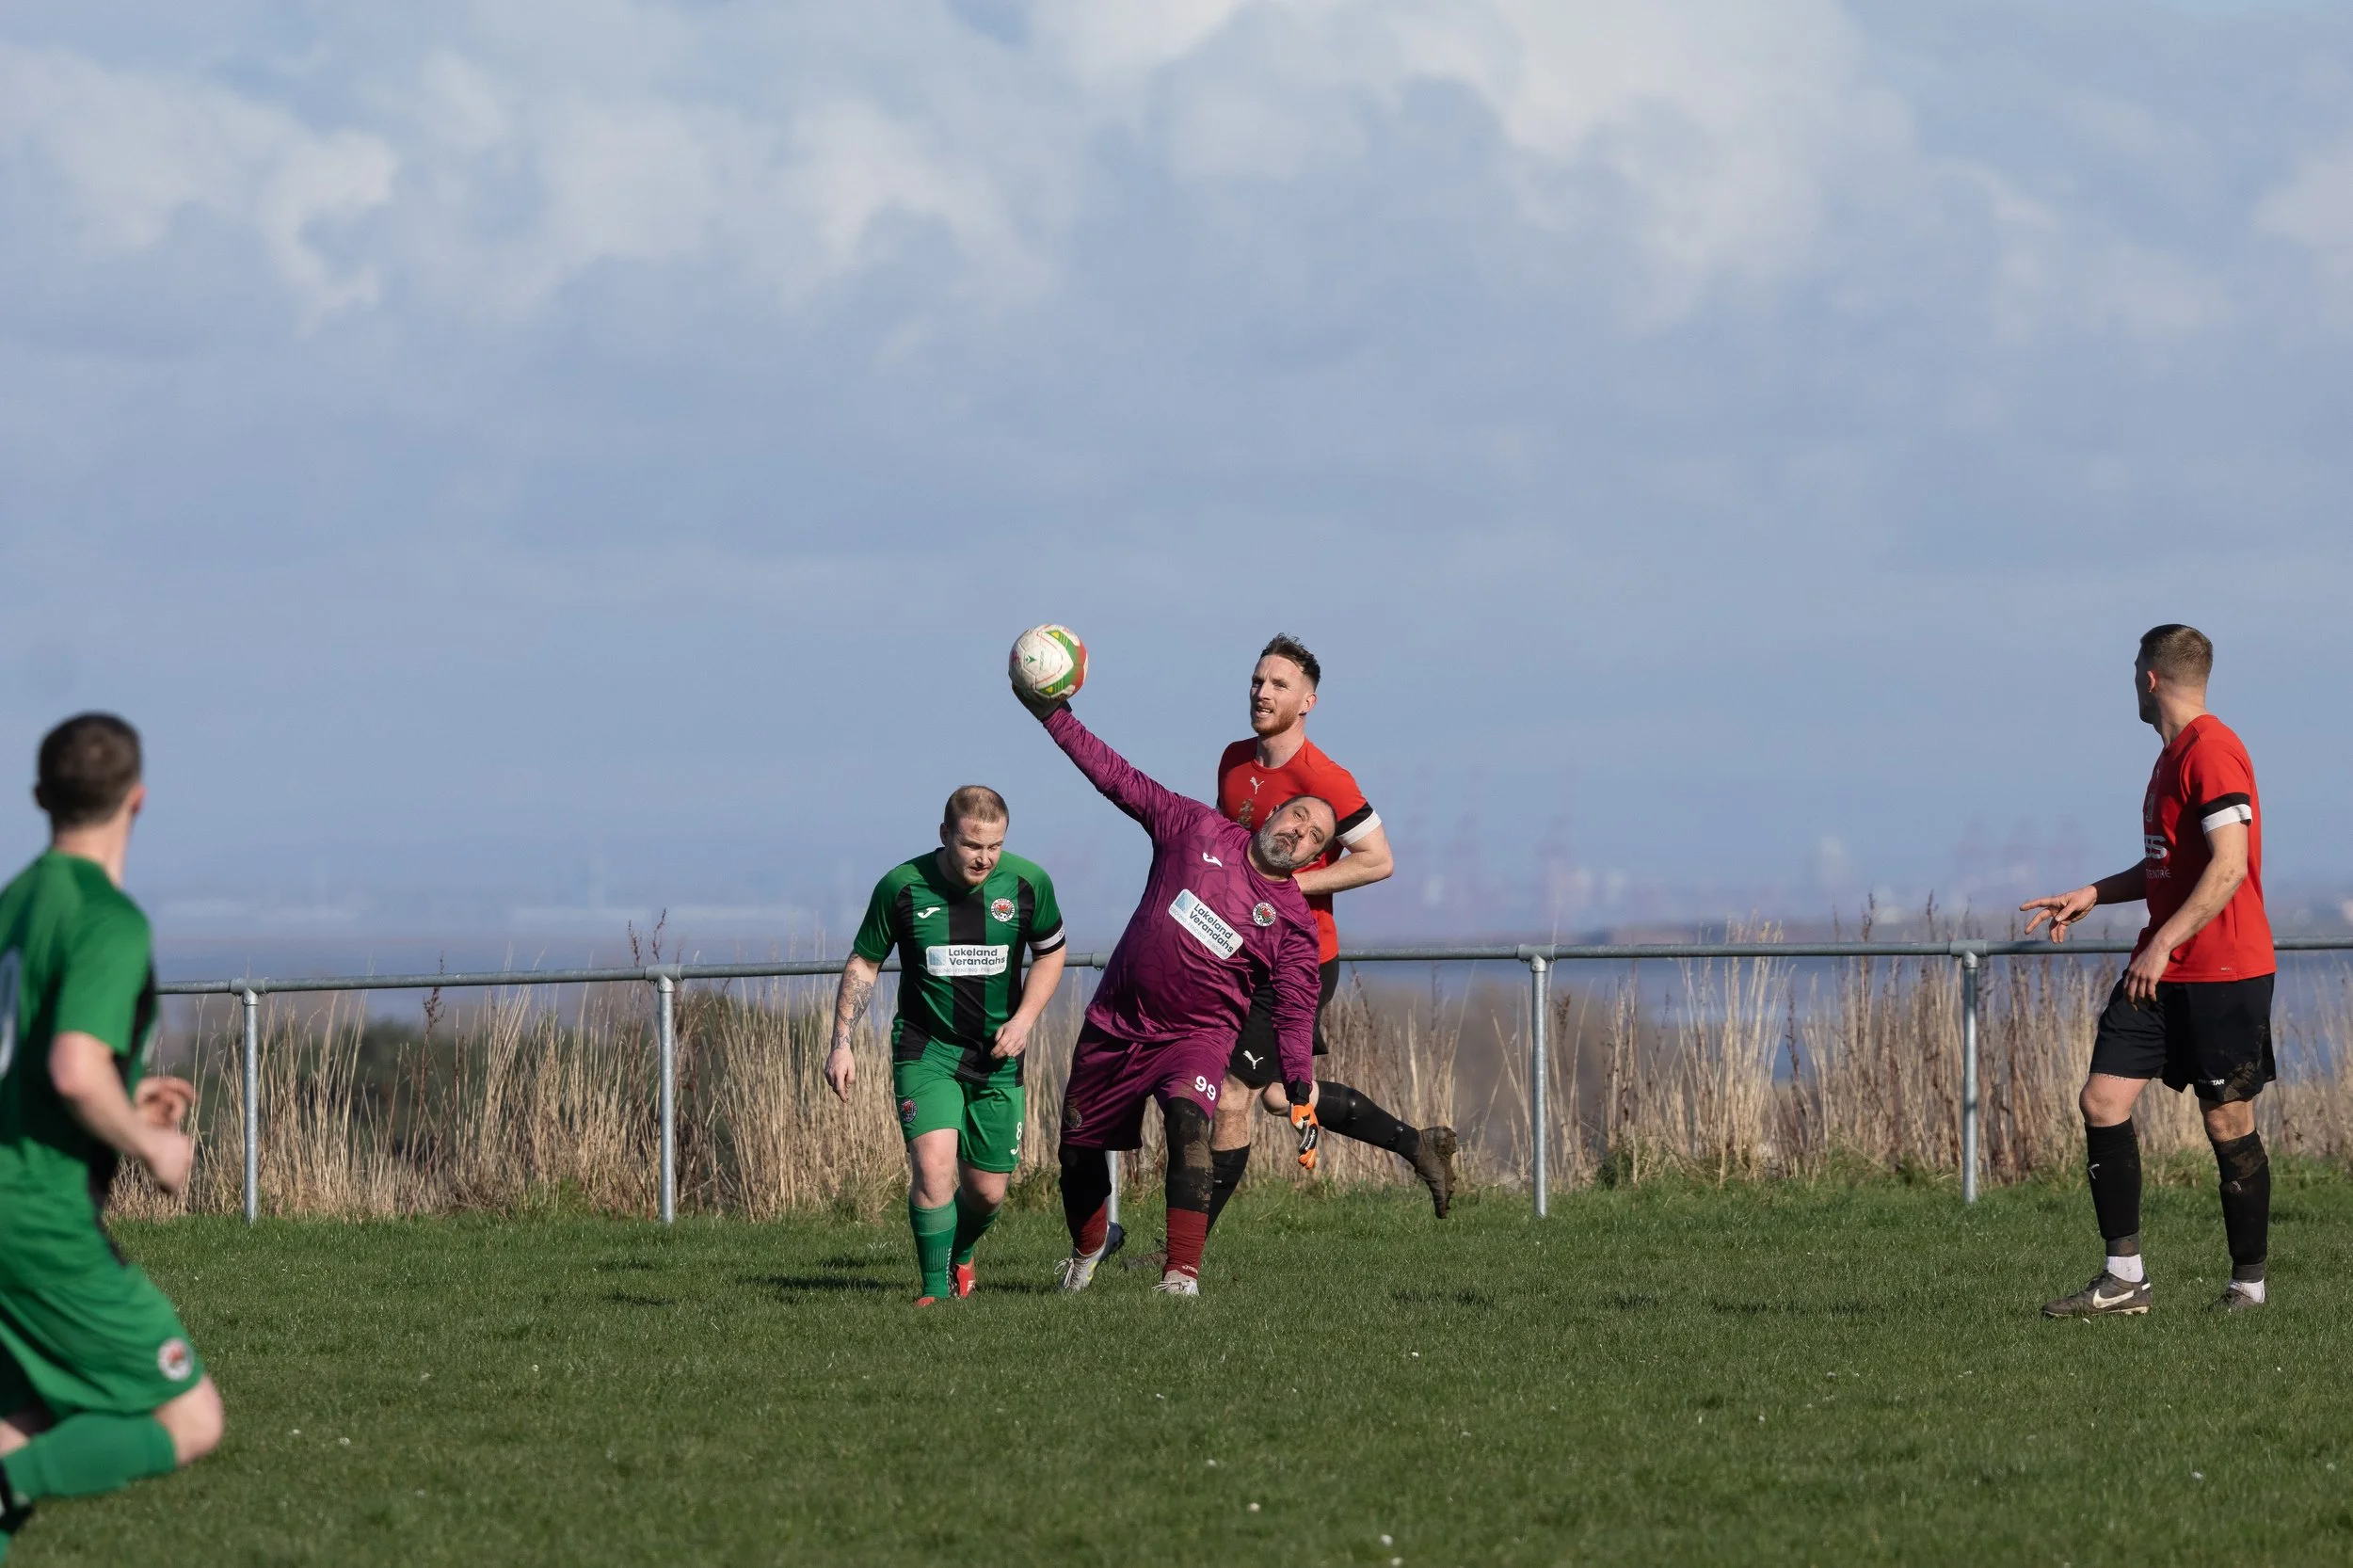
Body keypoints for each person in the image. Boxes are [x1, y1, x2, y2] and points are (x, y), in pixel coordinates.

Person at [1015, 677, 1327, 1297]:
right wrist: (1052, 715)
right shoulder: (1194, 827)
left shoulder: (1292, 924)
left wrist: (1297, 1085)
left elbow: (1295, 1012)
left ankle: (1180, 1276)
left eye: (1315, 835)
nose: (1298, 832)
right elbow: (1116, 777)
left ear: (1317, 856)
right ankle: (1088, 1246)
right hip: (1117, 1024)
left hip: (1196, 1037)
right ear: (1276, 813)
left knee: (1189, 1122)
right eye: (1296, 816)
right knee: (1075, 1156)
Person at [0, 714, 224, 1560]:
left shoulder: (13, 906)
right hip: (38, 1216)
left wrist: (126, 1094)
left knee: (30, 1424)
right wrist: (151, 1143)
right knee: (186, 1415)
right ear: (138, 801)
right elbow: (67, 1068)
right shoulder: (108, 918)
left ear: (38, 800)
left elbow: (23, 1064)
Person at [2025, 626, 2277, 1317]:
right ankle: (2124, 1277)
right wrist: (2093, 895)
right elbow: (2170, 865)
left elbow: (2229, 866)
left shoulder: (2214, 751)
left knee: (2228, 1124)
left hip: (2224, 971)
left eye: (2135, 668)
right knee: (2102, 1101)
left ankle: (2248, 1286)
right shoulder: (2171, 758)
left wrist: (2162, 943)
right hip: (2161, 969)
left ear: (2151, 678)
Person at [1206, 635, 1456, 1228]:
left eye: (1279, 685)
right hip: (1241, 953)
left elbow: (1378, 859)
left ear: (1308, 701)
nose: (1262, 693)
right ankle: (1419, 1145)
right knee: (1278, 1097)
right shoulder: (1232, 760)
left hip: (1301, 959)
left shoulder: (1326, 777)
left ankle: (1181, 1256)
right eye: (1257, 681)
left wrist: (1290, 890)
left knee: (1231, 1094)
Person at [824, 787, 1067, 1305]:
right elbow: (864, 963)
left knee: (988, 1192)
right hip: (925, 1048)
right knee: (933, 1168)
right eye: (972, 845)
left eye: (994, 847)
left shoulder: (1028, 884)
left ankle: (960, 1252)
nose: (984, 858)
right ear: (944, 836)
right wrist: (841, 1041)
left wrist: (1024, 1019)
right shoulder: (901, 886)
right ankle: (934, 1293)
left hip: (998, 1056)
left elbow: (1051, 952)